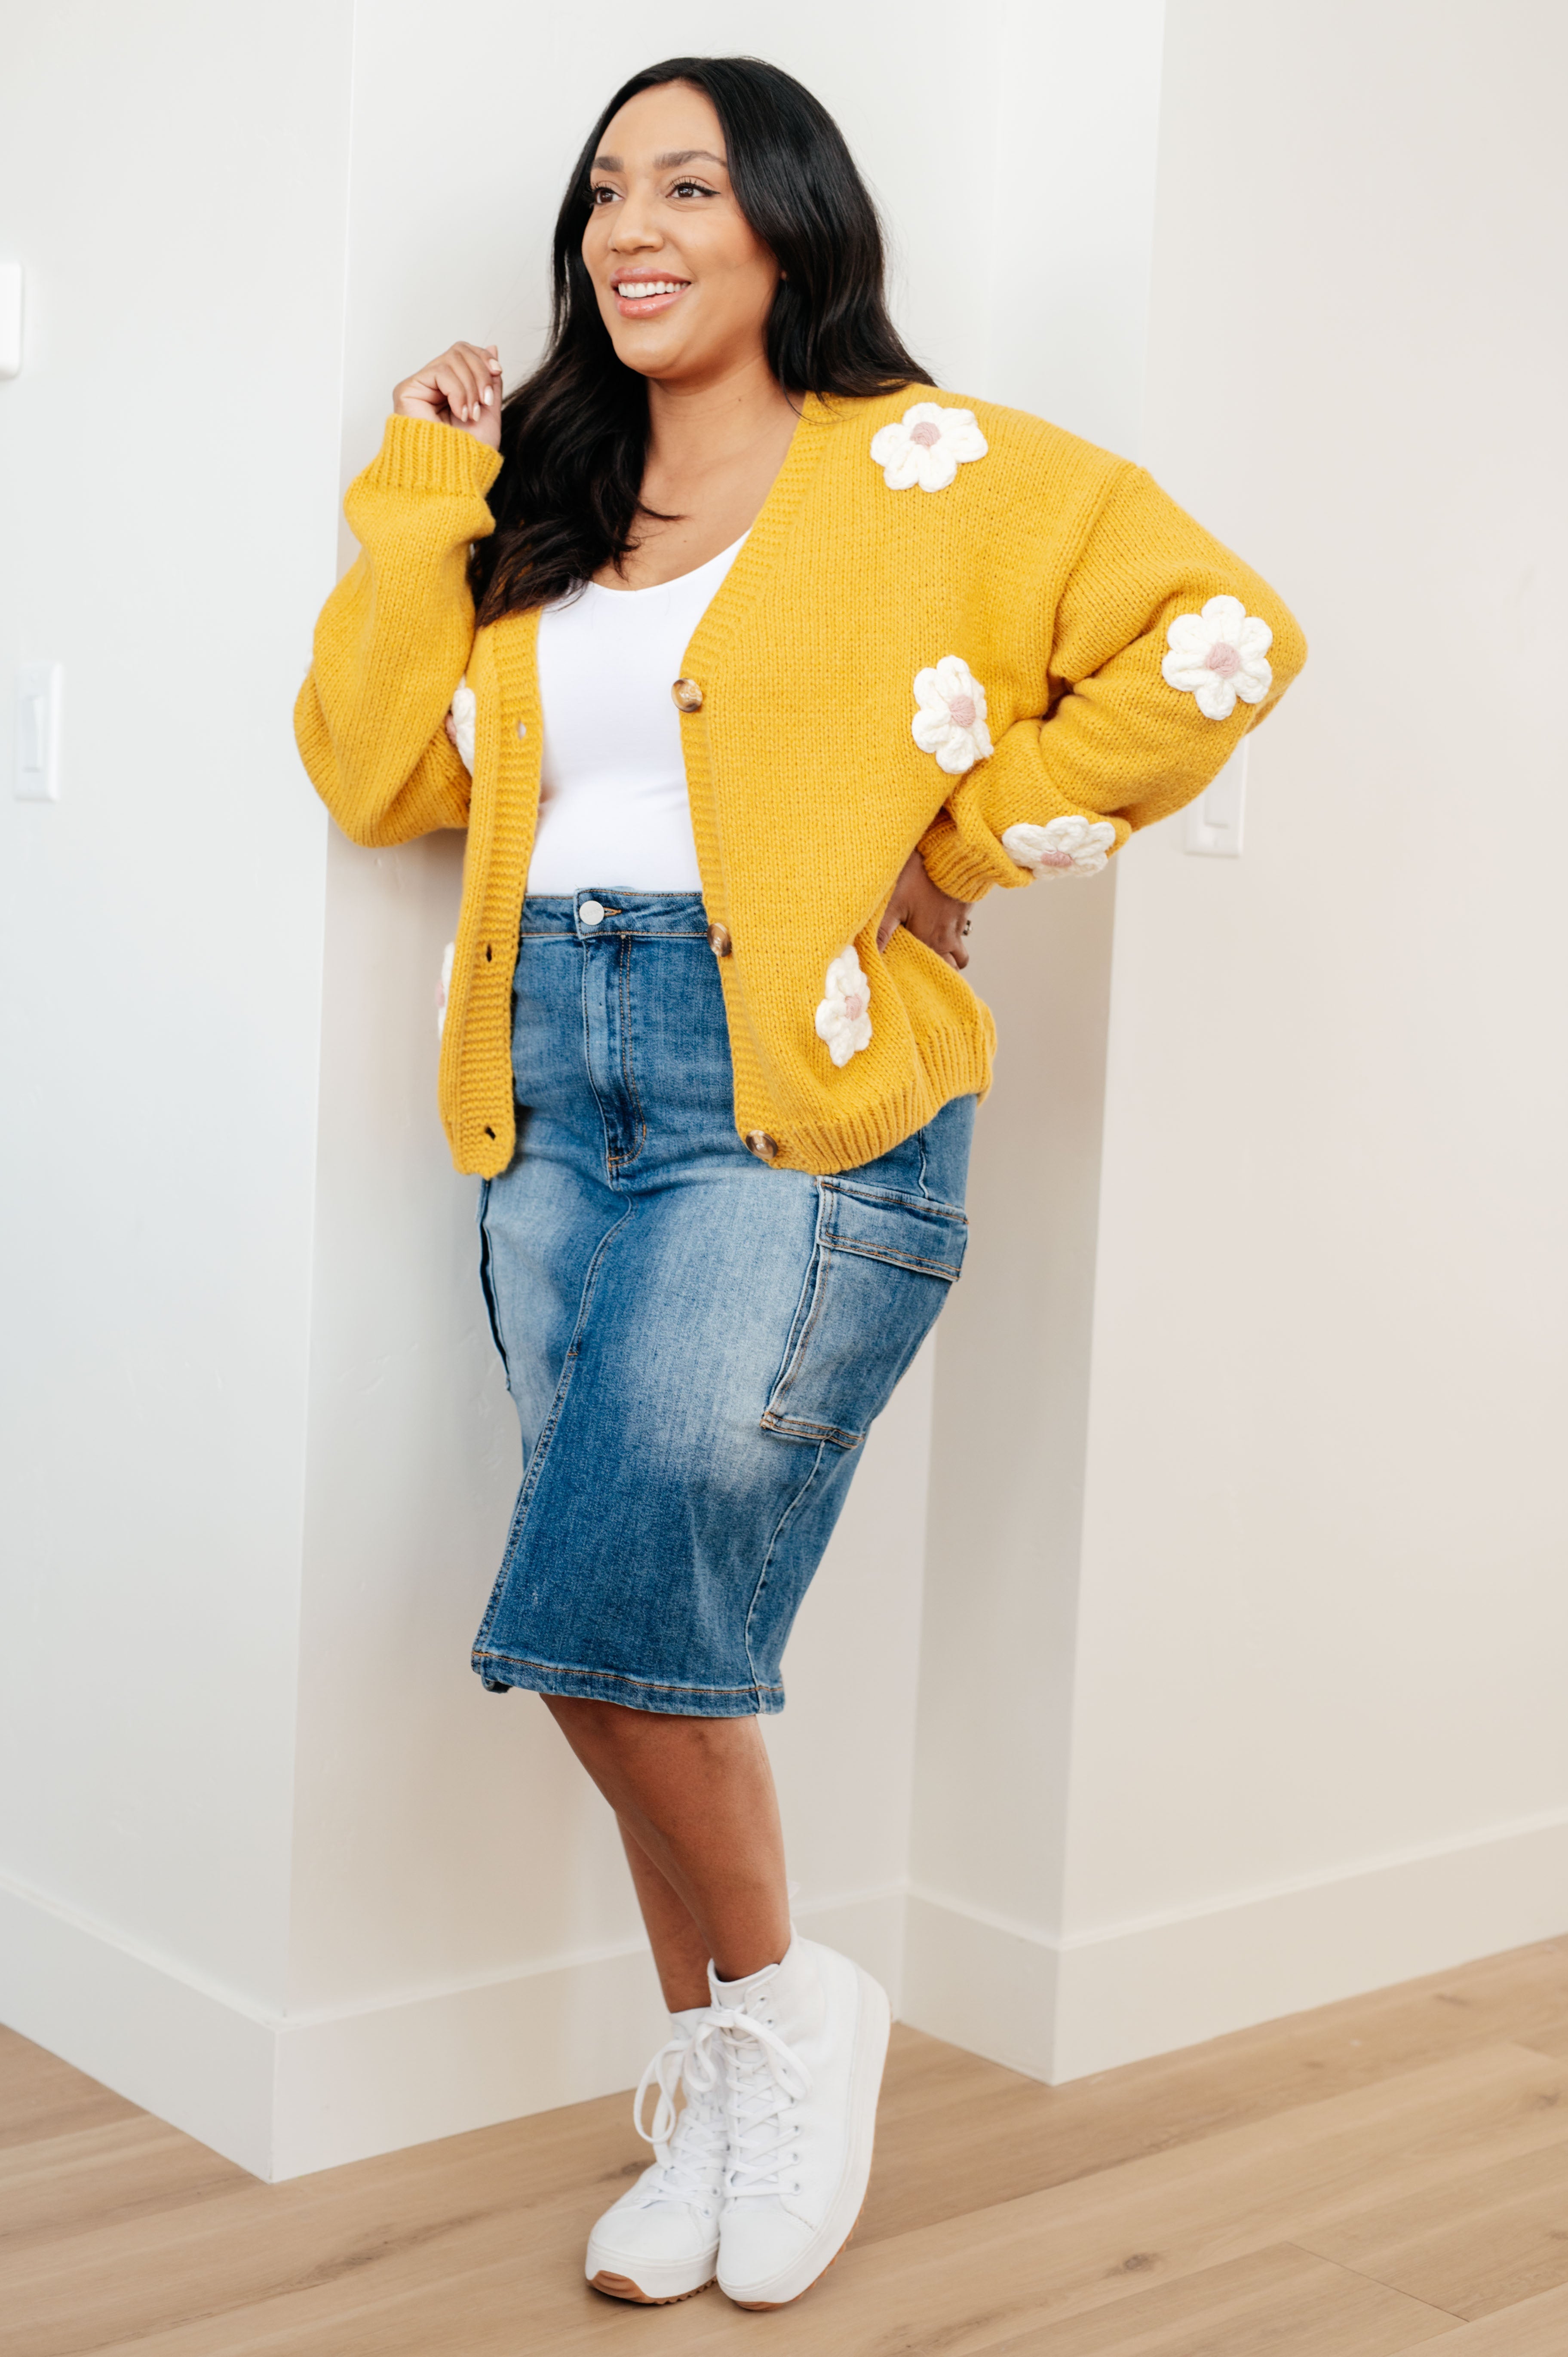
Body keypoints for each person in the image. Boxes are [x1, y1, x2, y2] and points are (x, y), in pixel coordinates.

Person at [295, 52, 1304, 2313]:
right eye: (604, 193)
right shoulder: (545, 490)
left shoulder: (932, 473)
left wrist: (964, 844)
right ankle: (731, 2078)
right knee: (659, 1637)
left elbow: (1222, 637)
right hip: (550, 1100)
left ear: (788, 220)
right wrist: (422, 491)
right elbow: (371, 773)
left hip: (796, 1105)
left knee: (604, 1613)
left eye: (687, 186)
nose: (630, 231)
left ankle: (787, 2016)